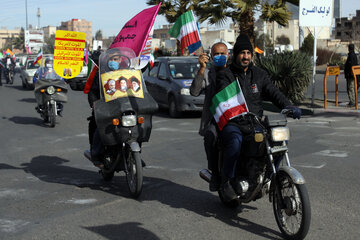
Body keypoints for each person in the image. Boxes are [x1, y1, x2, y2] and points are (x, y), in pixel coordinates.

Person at [213, 34, 301, 201]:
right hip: (234, 122)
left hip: (255, 123)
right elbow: (224, 98)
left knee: (280, 140)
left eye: (248, 53)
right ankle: (228, 181)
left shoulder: (259, 74)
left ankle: (270, 177)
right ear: (236, 55)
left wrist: (289, 106)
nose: (245, 56)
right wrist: (237, 114)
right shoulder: (225, 75)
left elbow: (273, 92)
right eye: (242, 53)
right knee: (234, 141)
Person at [190, 42, 230, 191]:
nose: (220, 57)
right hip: (214, 119)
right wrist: (201, 69)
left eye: (223, 54)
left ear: (228, 55)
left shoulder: (233, 71)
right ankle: (214, 174)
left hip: (234, 117)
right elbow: (194, 92)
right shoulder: (207, 73)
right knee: (211, 136)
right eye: (216, 54)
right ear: (211, 56)